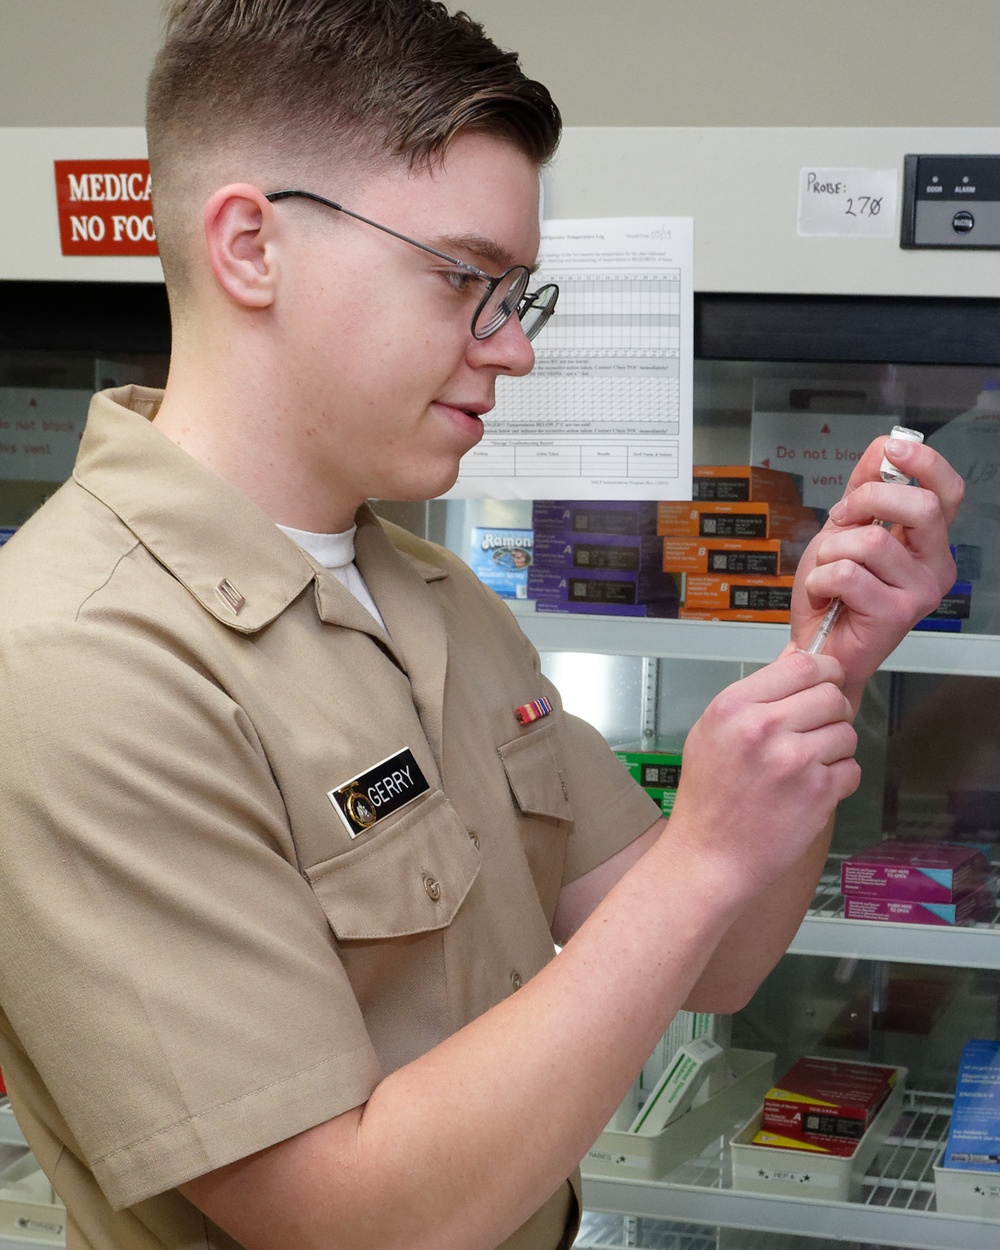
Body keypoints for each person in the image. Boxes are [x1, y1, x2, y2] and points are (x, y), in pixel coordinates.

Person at [0, 4, 963, 1249]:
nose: (510, 350)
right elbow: (346, 1223)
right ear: (249, 245)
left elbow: (709, 960)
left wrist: (824, 660)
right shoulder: (74, 663)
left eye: (519, 295)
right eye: (463, 279)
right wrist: (703, 849)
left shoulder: (434, 596)